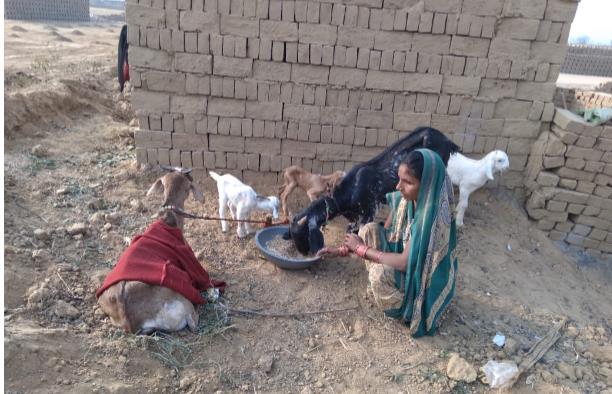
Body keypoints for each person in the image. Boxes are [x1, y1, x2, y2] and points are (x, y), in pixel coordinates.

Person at [317, 148, 458, 337]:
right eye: (399, 179)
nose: (399, 186)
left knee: (379, 275)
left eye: (408, 182)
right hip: (407, 261)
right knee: (369, 229)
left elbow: (404, 263)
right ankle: (389, 287)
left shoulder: (430, 218)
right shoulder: (406, 199)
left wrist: (361, 249)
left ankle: (401, 309)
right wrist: (341, 250)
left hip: (423, 281)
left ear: (426, 185)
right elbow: (385, 234)